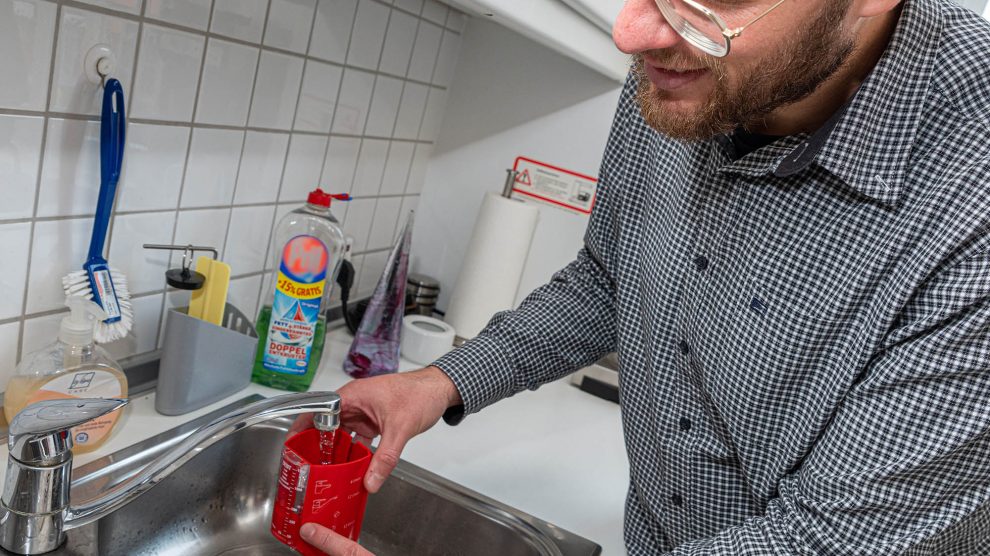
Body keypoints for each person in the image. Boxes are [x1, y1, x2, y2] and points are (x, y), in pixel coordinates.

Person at [300, 0, 990, 553]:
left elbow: (827, 538)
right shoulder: (687, 67)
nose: (630, 32)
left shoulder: (972, 191)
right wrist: (441, 380)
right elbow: (608, 278)